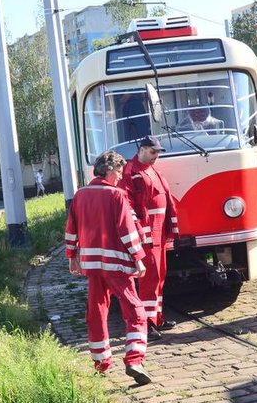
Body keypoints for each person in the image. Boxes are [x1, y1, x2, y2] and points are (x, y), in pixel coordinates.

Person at [65, 150, 152, 385]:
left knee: (96, 311)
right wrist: (138, 258)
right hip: (116, 264)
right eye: (120, 171)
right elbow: (127, 230)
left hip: (92, 265)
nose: (121, 175)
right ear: (110, 170)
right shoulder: (117, 195)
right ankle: (134, 359)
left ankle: (101, 362)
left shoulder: (80, 195)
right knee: (135, 310)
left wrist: (72, 256)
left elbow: (72, 228)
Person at [120, 136, 179, 341]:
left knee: (160, 276)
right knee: (149, 279)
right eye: (153, 152)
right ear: (142, 149)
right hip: (147, 233)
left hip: (158, 231)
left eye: (158, 153)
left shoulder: (150, 169)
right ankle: (146, 323)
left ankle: (157, 317)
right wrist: (139, 230)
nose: (156, 157)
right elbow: (126, 203)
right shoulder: (131, 171)